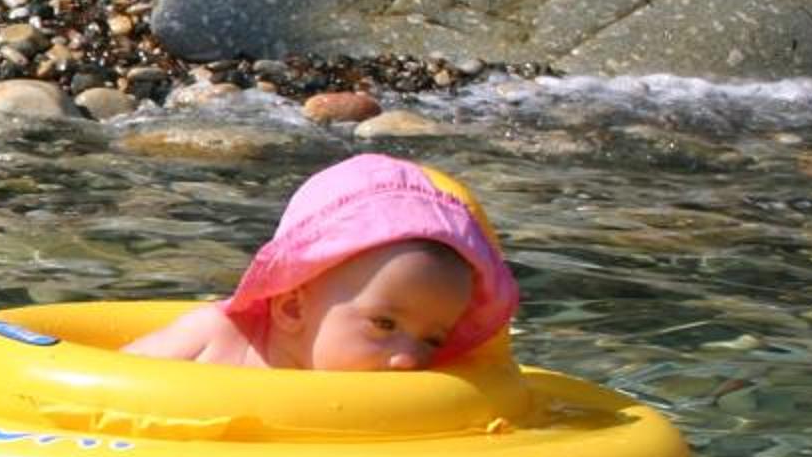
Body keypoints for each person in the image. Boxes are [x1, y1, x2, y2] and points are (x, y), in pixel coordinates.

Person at [123, 154, 518, 371]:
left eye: (433, 340)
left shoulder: (406, 404)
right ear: (293, 308)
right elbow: (111, 388)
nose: (407, 360)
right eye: (384, 324)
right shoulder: (218, 337)